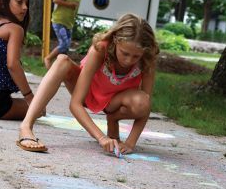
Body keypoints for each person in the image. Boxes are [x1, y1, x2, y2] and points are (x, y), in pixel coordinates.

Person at [17, 13, 159, 154]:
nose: (129, 60)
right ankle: (26, 126)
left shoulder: (147, 59)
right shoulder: (100, 49)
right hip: (88, 94)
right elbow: (75, 104)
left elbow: (145, 108)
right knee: (62, 61)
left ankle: (113, 118)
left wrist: (130, 143)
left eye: (135, 56)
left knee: (142, 102)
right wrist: (101, 137)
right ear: (115, 40)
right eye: (125, 53)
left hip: (115, 102)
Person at [44, 0, 90, 70]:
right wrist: (69, 4)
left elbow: (74, 9)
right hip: (59, 21)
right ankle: (48, 58)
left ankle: (59, 67)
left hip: (68, 24)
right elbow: (56, 0)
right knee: (64, 44)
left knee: (66, 47)